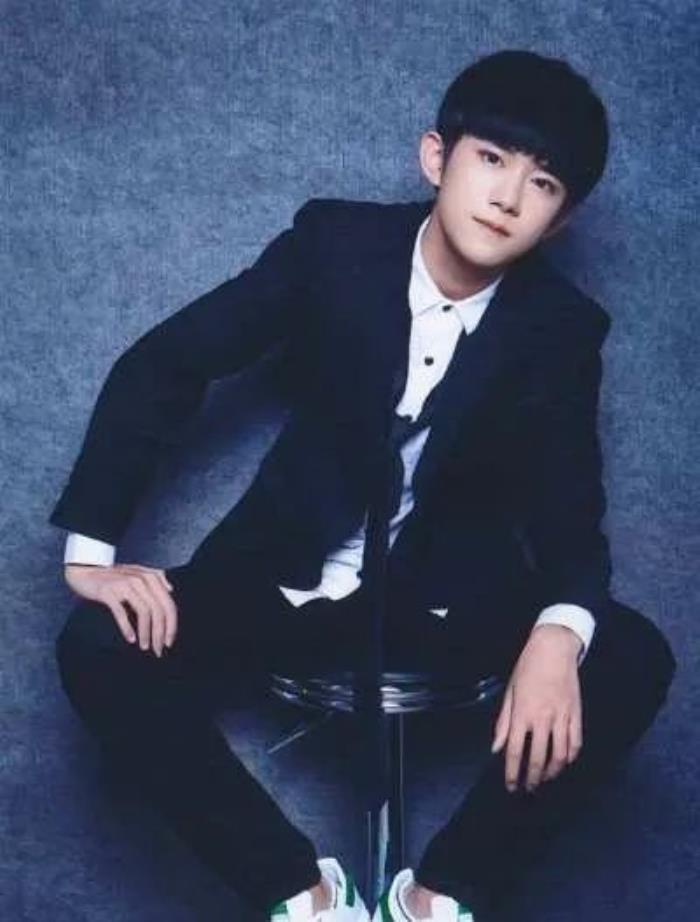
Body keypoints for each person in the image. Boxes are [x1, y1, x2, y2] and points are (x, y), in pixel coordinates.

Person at [51, 50, 676, 922]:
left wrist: (557, 635)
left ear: (559, 219)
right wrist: (92, 553)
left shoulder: (560, 330)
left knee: (630, 654)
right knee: (97, 646)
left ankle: (439, 896)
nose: (506, 195)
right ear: (436, 158)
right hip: (283, 580)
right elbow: (170, 362)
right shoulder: (336, 247)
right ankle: (304, 895)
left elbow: (571, 514)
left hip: (447, 603)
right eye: (491, 158)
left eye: (541, 183)